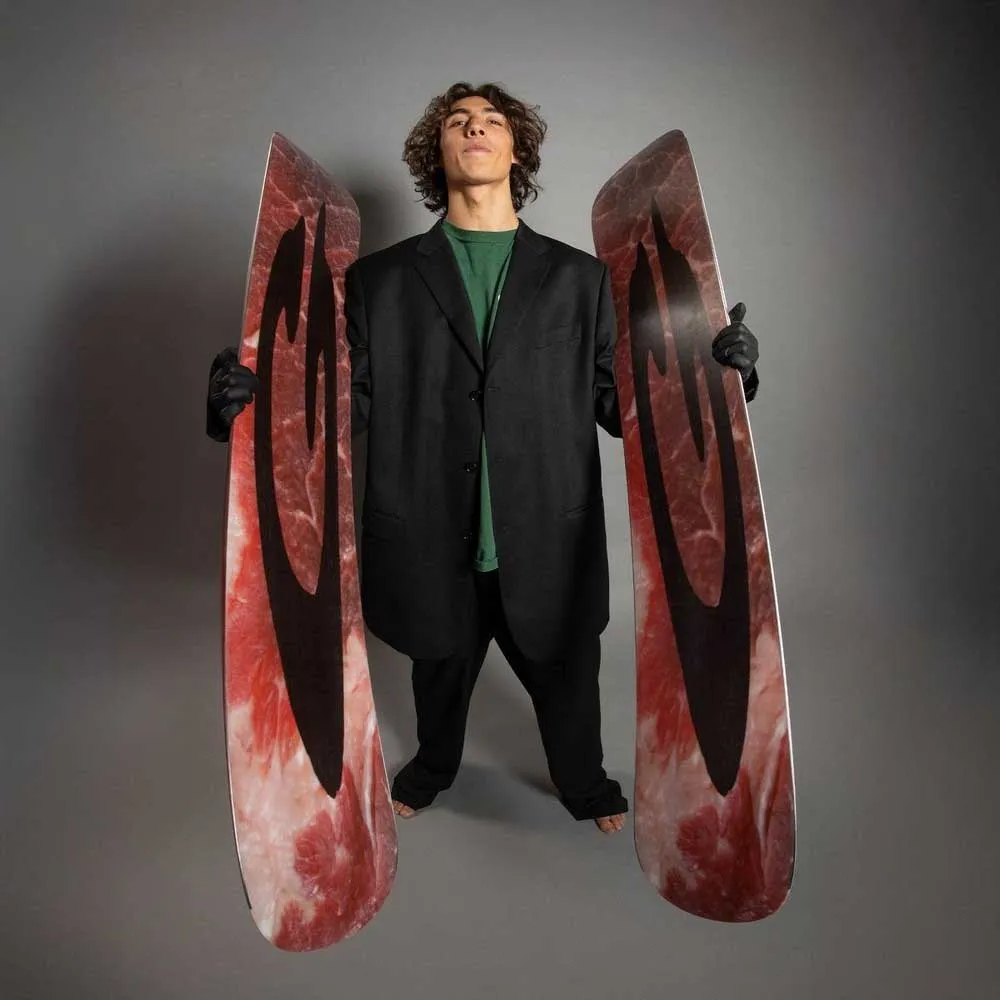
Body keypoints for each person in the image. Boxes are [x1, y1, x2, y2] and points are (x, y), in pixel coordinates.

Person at [206, 81, 760, 836]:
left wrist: (726, 379)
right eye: (458, 122)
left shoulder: (581, 280)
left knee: (569, 680)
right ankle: (434, 768)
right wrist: (249, 407)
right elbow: (341, 411)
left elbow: (625, 406)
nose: (474, 129)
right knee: (438, 675)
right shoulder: (378, 281)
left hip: (551, 535)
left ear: (516, 150)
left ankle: (585, 783)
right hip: (429, 534)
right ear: (437, 152)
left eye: (492, 121)